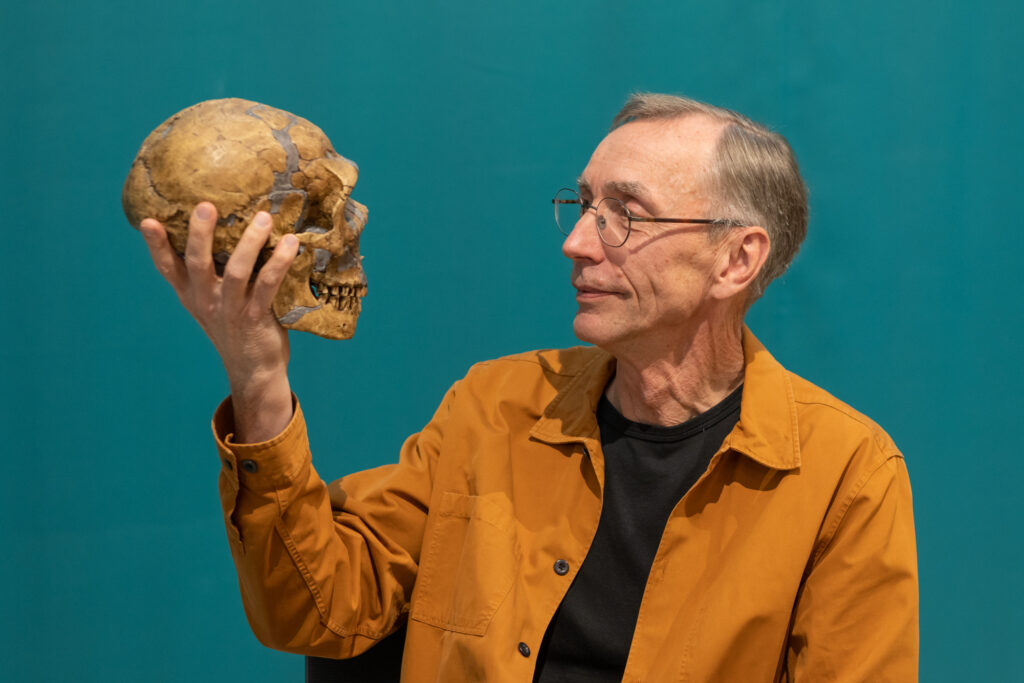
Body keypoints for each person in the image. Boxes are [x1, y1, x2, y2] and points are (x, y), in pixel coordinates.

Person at [140, 93, 918, 682]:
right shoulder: (493, 406)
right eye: (582, 206)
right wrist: (258, 377)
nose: (578, 243)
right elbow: (318, 608)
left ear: (736, 261)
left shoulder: (845, 471)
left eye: (626, 216)